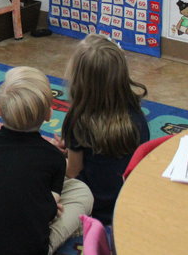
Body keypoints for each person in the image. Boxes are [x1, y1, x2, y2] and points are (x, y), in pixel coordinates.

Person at [0, 66, 94, 255]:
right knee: (82, 192)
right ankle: (49, 241)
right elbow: (49, 212)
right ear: (49, 114)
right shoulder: (53, 157)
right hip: (29, 248)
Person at [54, 34, 149, 224]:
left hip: (91, 204)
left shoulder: (78, 120)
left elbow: (73, 173)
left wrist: (58, 157)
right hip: (126, 202)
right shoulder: (136, 115)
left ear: (80, 80)